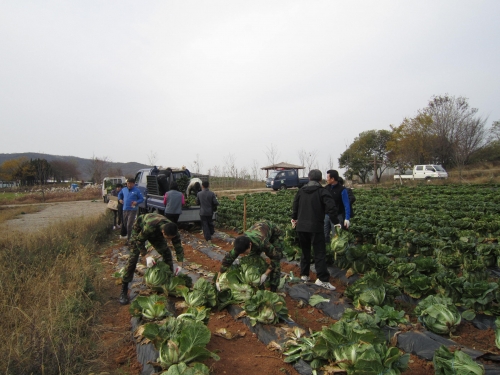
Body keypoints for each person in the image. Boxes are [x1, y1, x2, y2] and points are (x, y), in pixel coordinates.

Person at [119, 213, 185, 305]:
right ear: (163, 233)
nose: (170, 241)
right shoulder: (150, 227)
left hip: (156, 233)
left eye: (171, 239)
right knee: (133, 259)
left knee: (167, 253)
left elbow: (178, 246)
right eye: (168, 238)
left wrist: (180, 264)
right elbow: (139, 241)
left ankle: (169, 282)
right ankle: (124, 289)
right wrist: (146, 256)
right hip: (140, 229)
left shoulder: (173, 230)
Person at [292, 169, 339, 291]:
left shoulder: (301, 191)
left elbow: (295, 205)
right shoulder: (322, 191)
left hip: (301, 226)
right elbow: (331, 207)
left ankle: (304, 275)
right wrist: (336, 222)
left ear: (309, 178)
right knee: (319, 253)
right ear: (320, 179)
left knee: (305, 251)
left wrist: (294, 219)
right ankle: (322, 279)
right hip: (316, 227)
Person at [215, 220, 284, 292]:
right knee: (252, 257)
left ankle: (274, 287)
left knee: (276, 262)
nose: (244, 254)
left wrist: (265, 274)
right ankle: (256, 283)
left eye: (245, 252)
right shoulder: (240, 244)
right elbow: (227, 260)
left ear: (250, 245)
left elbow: (276, 258)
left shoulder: (263, 243)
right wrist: (218, 279)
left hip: (275, 233)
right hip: (258, 230)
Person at [324, 170, 351, 243]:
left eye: (327, 177)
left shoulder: (342, 190)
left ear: (332, 179)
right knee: (324, 235)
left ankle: (335, 253)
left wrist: (347, 218)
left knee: (335, 235)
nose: (326, 179)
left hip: (337, 216)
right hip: (326, 215)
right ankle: (326, 251)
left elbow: (346, 204)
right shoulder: (326, 188)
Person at [118, 178, 144, 243]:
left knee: (129, 224)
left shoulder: (136, 190)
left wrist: (136, 202)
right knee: (125, 224)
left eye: (131, 183)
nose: (129, 185)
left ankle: (129, 240)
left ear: (133, 184)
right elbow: (119, 195)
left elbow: (141, 199)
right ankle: (131, 235)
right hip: (125, 209)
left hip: (132, 209)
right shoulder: (124, 189)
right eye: (128, 183)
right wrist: (120, 199)